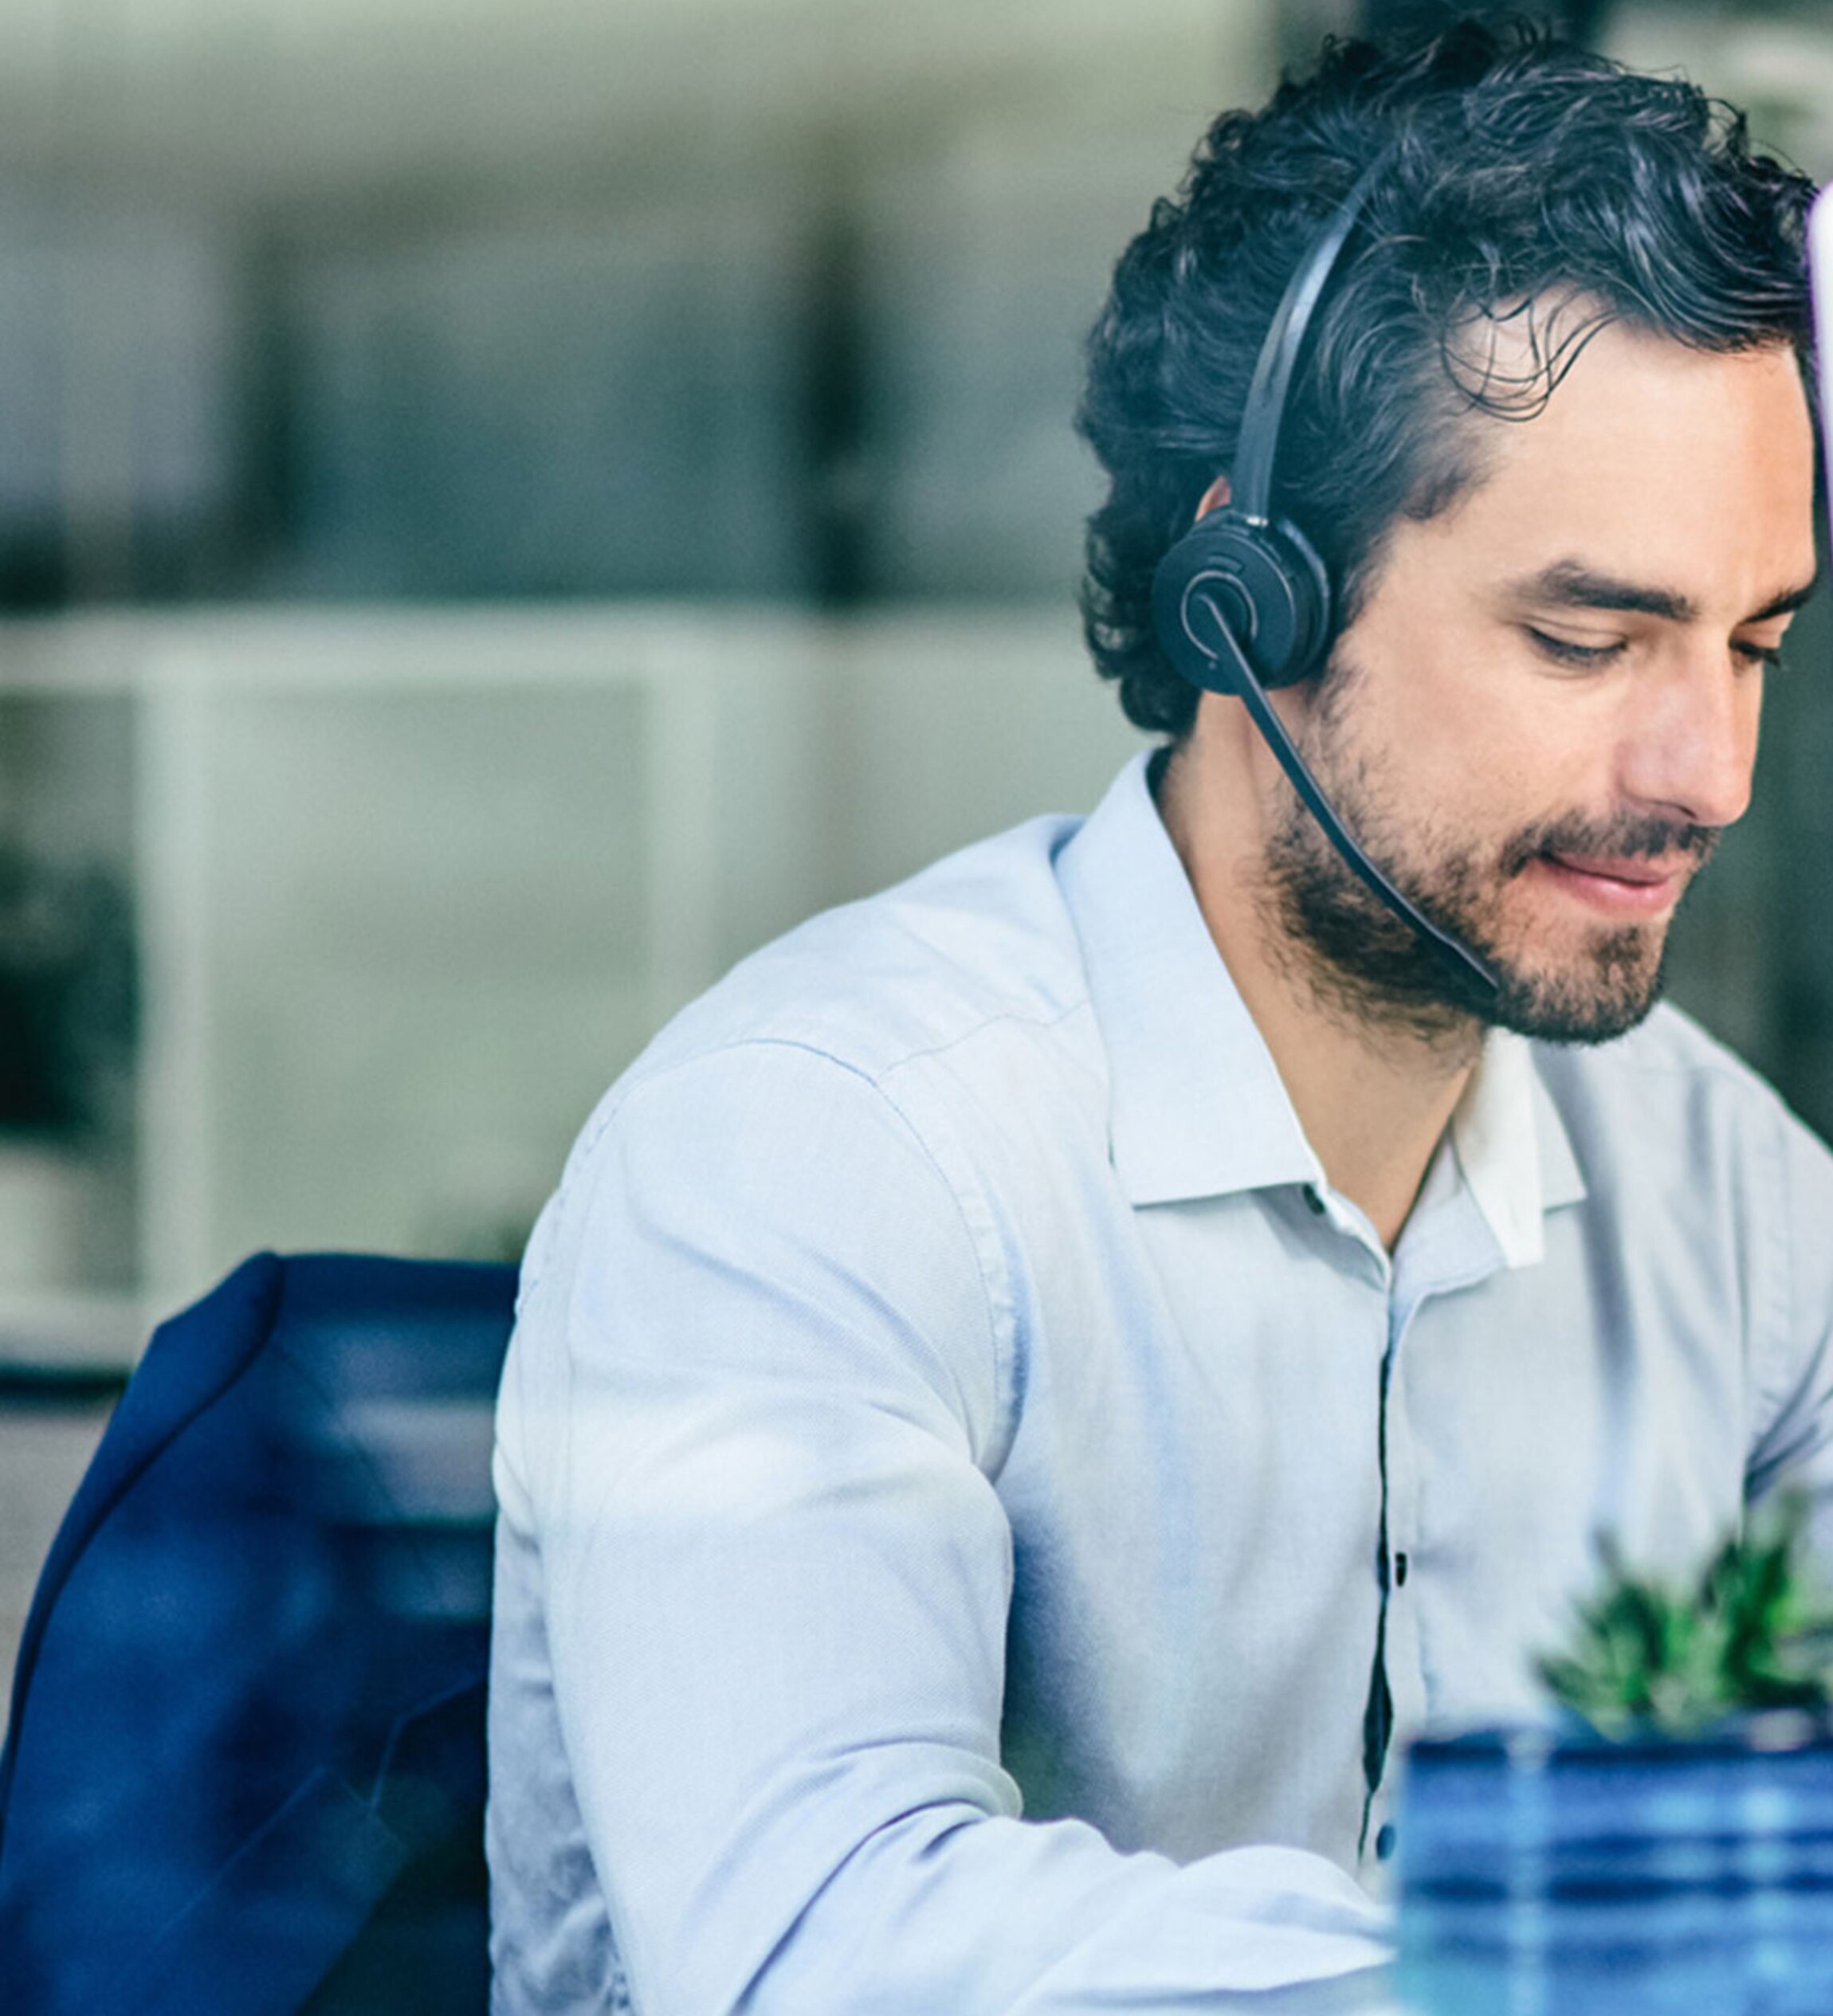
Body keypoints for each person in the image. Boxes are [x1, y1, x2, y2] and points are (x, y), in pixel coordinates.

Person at [487, 21, 1832, 2013]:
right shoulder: (814, 1150)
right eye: (1585, 635)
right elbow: (815, 1947)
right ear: (1248, 595)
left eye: (1753, 643)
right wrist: (1630, 1954)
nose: (1708, 768)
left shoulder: (1728, 1198)